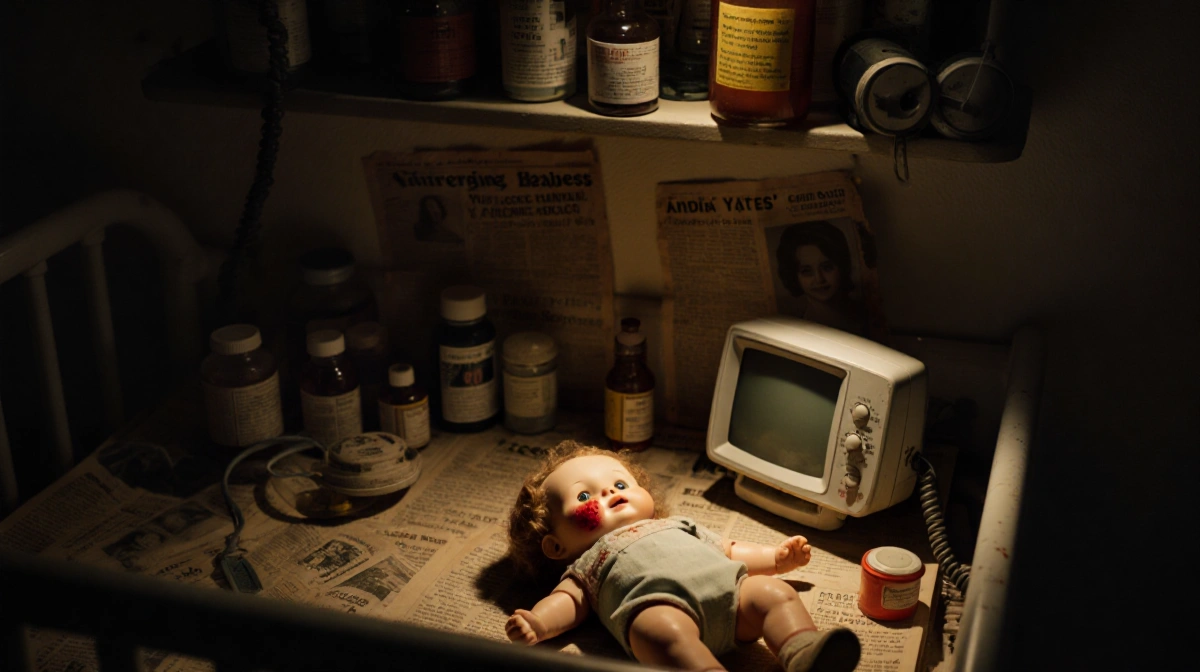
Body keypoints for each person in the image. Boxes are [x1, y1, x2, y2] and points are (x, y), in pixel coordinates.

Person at [505, 440, 860, 672]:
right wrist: (537, 623)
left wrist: (777, 559)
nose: (611, 492)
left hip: (731, 599)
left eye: (621, 484)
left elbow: (730, 550)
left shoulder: (677, 524)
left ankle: (801, 650)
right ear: (554, 546)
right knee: (664, 635)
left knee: (774, 594)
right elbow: (567, 601)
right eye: (584, 497)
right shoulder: (588, 563)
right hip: (661, 607)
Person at [775, 221, 868, 336]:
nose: (819, 279)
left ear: (842, 266)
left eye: (827, 267)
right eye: (807, 271)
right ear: (794, 275)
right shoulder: (791, 329)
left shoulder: (867, 317)